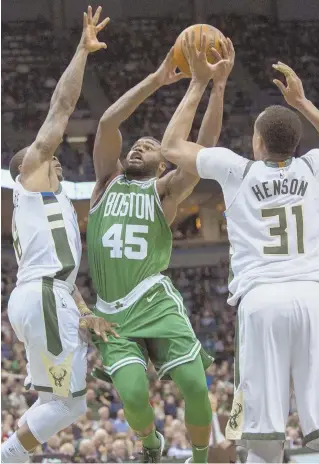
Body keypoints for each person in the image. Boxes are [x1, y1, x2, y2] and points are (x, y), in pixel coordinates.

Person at [161, 33, 319, 464]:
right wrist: (302, 104)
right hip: (317, 297)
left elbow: (171, 146)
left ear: (257, 143)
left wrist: (203, 83)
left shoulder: (238, 171)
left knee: (263, 429)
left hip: (262, 301)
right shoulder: (315, 165)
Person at [87, 37, 235, 463]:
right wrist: (156, 79)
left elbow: (201, 149)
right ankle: (152, 444)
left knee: (194, 386)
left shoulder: (166, 189)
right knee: (132, 394)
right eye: (137, 145)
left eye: (150, 146)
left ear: (163, 162)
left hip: (154, 301)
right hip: (112, 311)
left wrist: (216, 87)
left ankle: (203, 458)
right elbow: (107, 126)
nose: (138, 146)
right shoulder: (105, 183)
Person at [1, 7, 117, 463]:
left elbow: (64, 272)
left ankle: (13, 455)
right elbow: (62, 107)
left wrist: (83, 312)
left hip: (49, 295)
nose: (55, 159)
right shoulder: (30, 179)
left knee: (57, 402)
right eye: (47, 157)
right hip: (43, 296)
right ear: (28, 166)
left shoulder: (58, 204)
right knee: (70, 405)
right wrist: (81, 51)